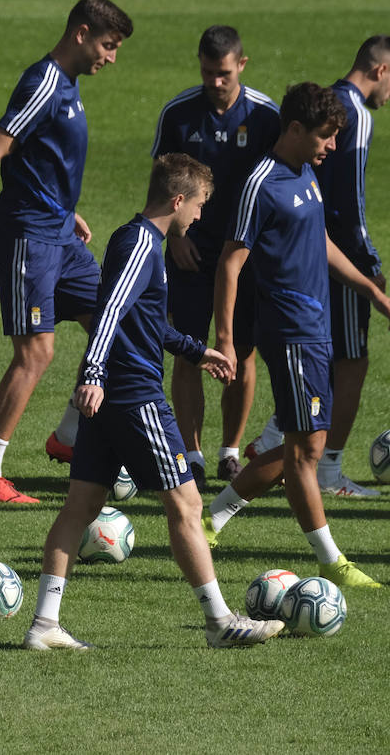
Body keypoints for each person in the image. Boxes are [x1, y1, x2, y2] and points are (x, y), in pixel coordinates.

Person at [25, 154, 282, 651]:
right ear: (179, 199)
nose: (201, 217)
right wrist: (95, 373)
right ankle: (219, 621)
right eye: (201, 205)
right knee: (186, 504)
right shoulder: (143, 243)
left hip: (111, 395)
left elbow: (144, 321)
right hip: (132, 395)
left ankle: (43, 625)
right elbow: (112, 311)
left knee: (80, 507)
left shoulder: (137, 240)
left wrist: (194, 349)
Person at [203, 83, 390, 589]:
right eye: (325, 136)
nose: (331, 147)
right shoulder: (262, 183)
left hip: (316, 327)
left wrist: (368, 291)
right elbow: (231, 261)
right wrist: (225, 339)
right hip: (289, 330)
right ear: (294, 129)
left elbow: (321, 241)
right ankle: (330, 559)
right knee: (305, 452)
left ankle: (212, 520)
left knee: (304, 445)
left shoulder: (305, 173)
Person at [0, 0, 134, 504]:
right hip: (29, 238)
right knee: (37, 351)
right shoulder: (45, 82)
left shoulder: (70, 85)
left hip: (58, 229)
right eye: (108, 44)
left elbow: (40, 157)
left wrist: (66, 206)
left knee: (114, 322)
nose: (111, 57)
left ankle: (70, 436)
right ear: (81, 33)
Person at [151, 25, 280, 490]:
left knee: (242, 353)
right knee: (187, 352)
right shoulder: (180, 113)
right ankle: (192, 453)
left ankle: (229, 451)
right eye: (207, 72)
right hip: (190, 253)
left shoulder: (267, 116)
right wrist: (175, 236)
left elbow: (277, 185)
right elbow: (161, 183)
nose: (215, 81)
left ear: (241, 65)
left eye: (223, 73)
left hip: (245, 256)